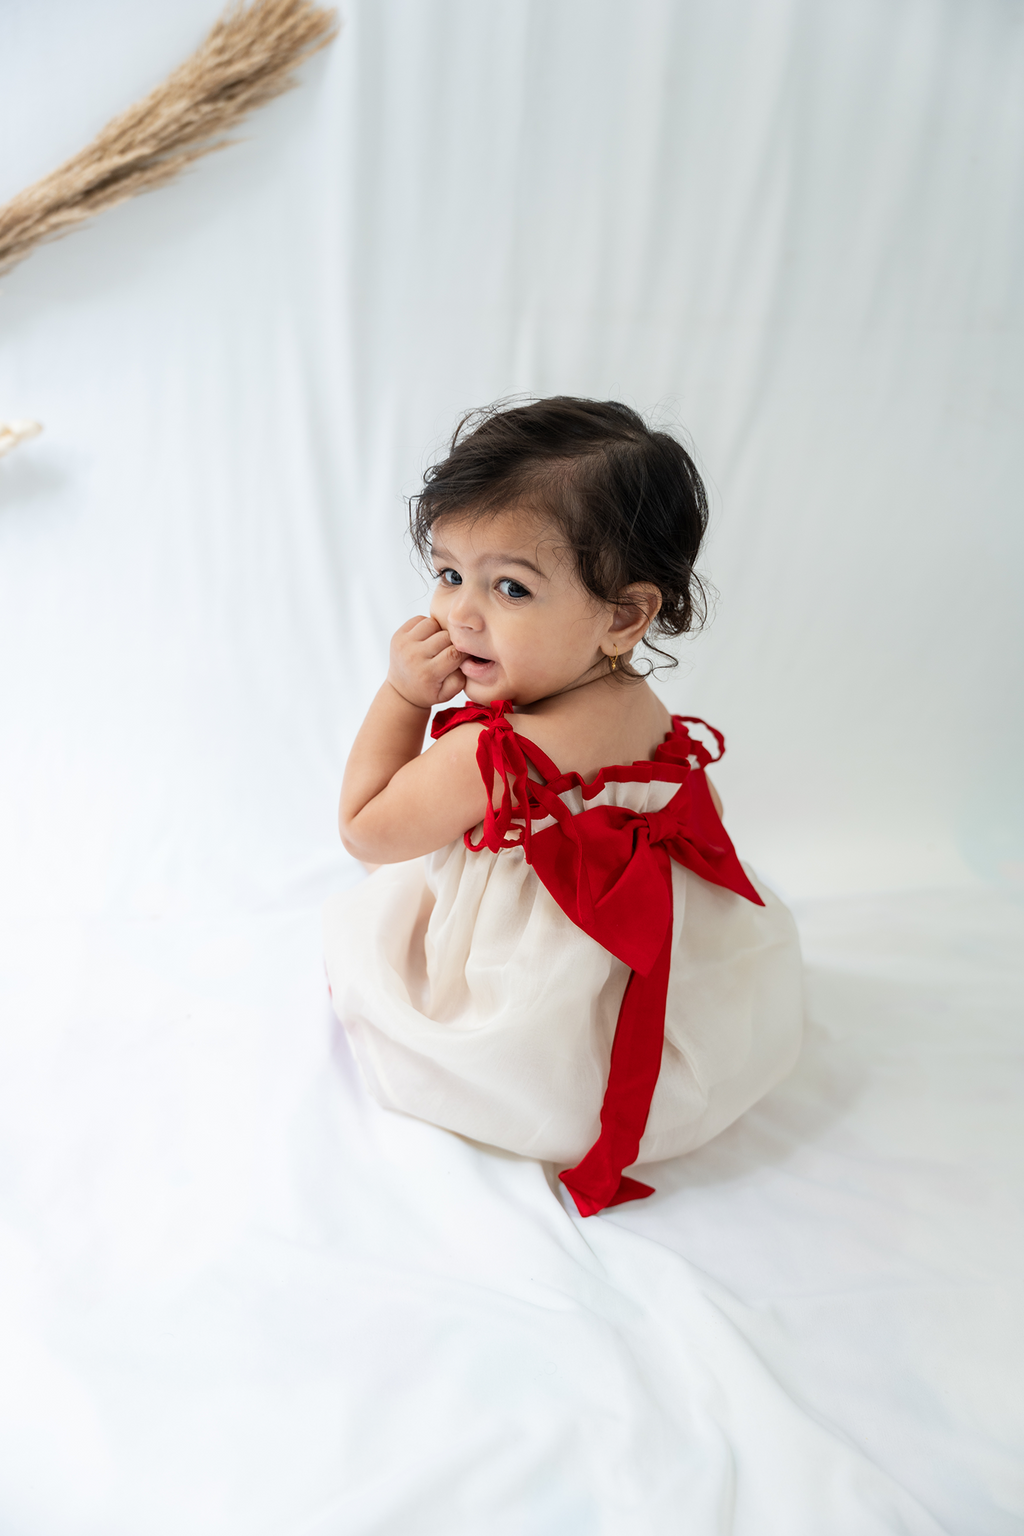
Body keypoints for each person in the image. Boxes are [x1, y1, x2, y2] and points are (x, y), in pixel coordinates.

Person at [324, 397, 802, 1216]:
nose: (459, 615)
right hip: (665, 970)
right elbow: (702, 806)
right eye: (447, 574)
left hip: (537, 1024)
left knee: (367, 940)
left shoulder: (491, 756)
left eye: (510, 587)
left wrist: (402, 696)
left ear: (624, 614)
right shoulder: (641, 707)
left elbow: (366, 829)